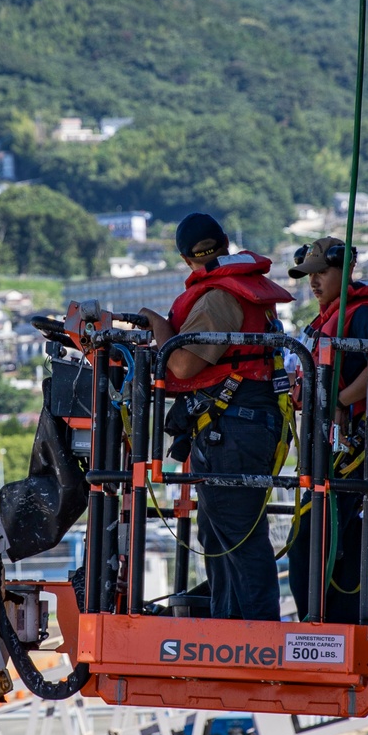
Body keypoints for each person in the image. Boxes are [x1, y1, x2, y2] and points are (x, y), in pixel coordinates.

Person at [140, 212, 294, 621]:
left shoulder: (218, 297)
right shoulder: (241, 289)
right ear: (224, 243)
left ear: (185, 258)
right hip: (241, 427)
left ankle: (259, 641)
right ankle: (231, 627)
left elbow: (183, 367)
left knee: (239, 541)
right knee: (221, 538)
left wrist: (159, 327)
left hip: (233, 430)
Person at [286, 237, 368, 622]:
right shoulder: (327, 319)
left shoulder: (363, 315)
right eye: (311, 275)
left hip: (351, 451)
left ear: (347, 272)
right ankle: (317, 621)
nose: (315, 281)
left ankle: (330, 627)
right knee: (309, 541)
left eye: (323, 272)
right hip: (325, 449)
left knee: (327, 541)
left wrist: (340, 402)